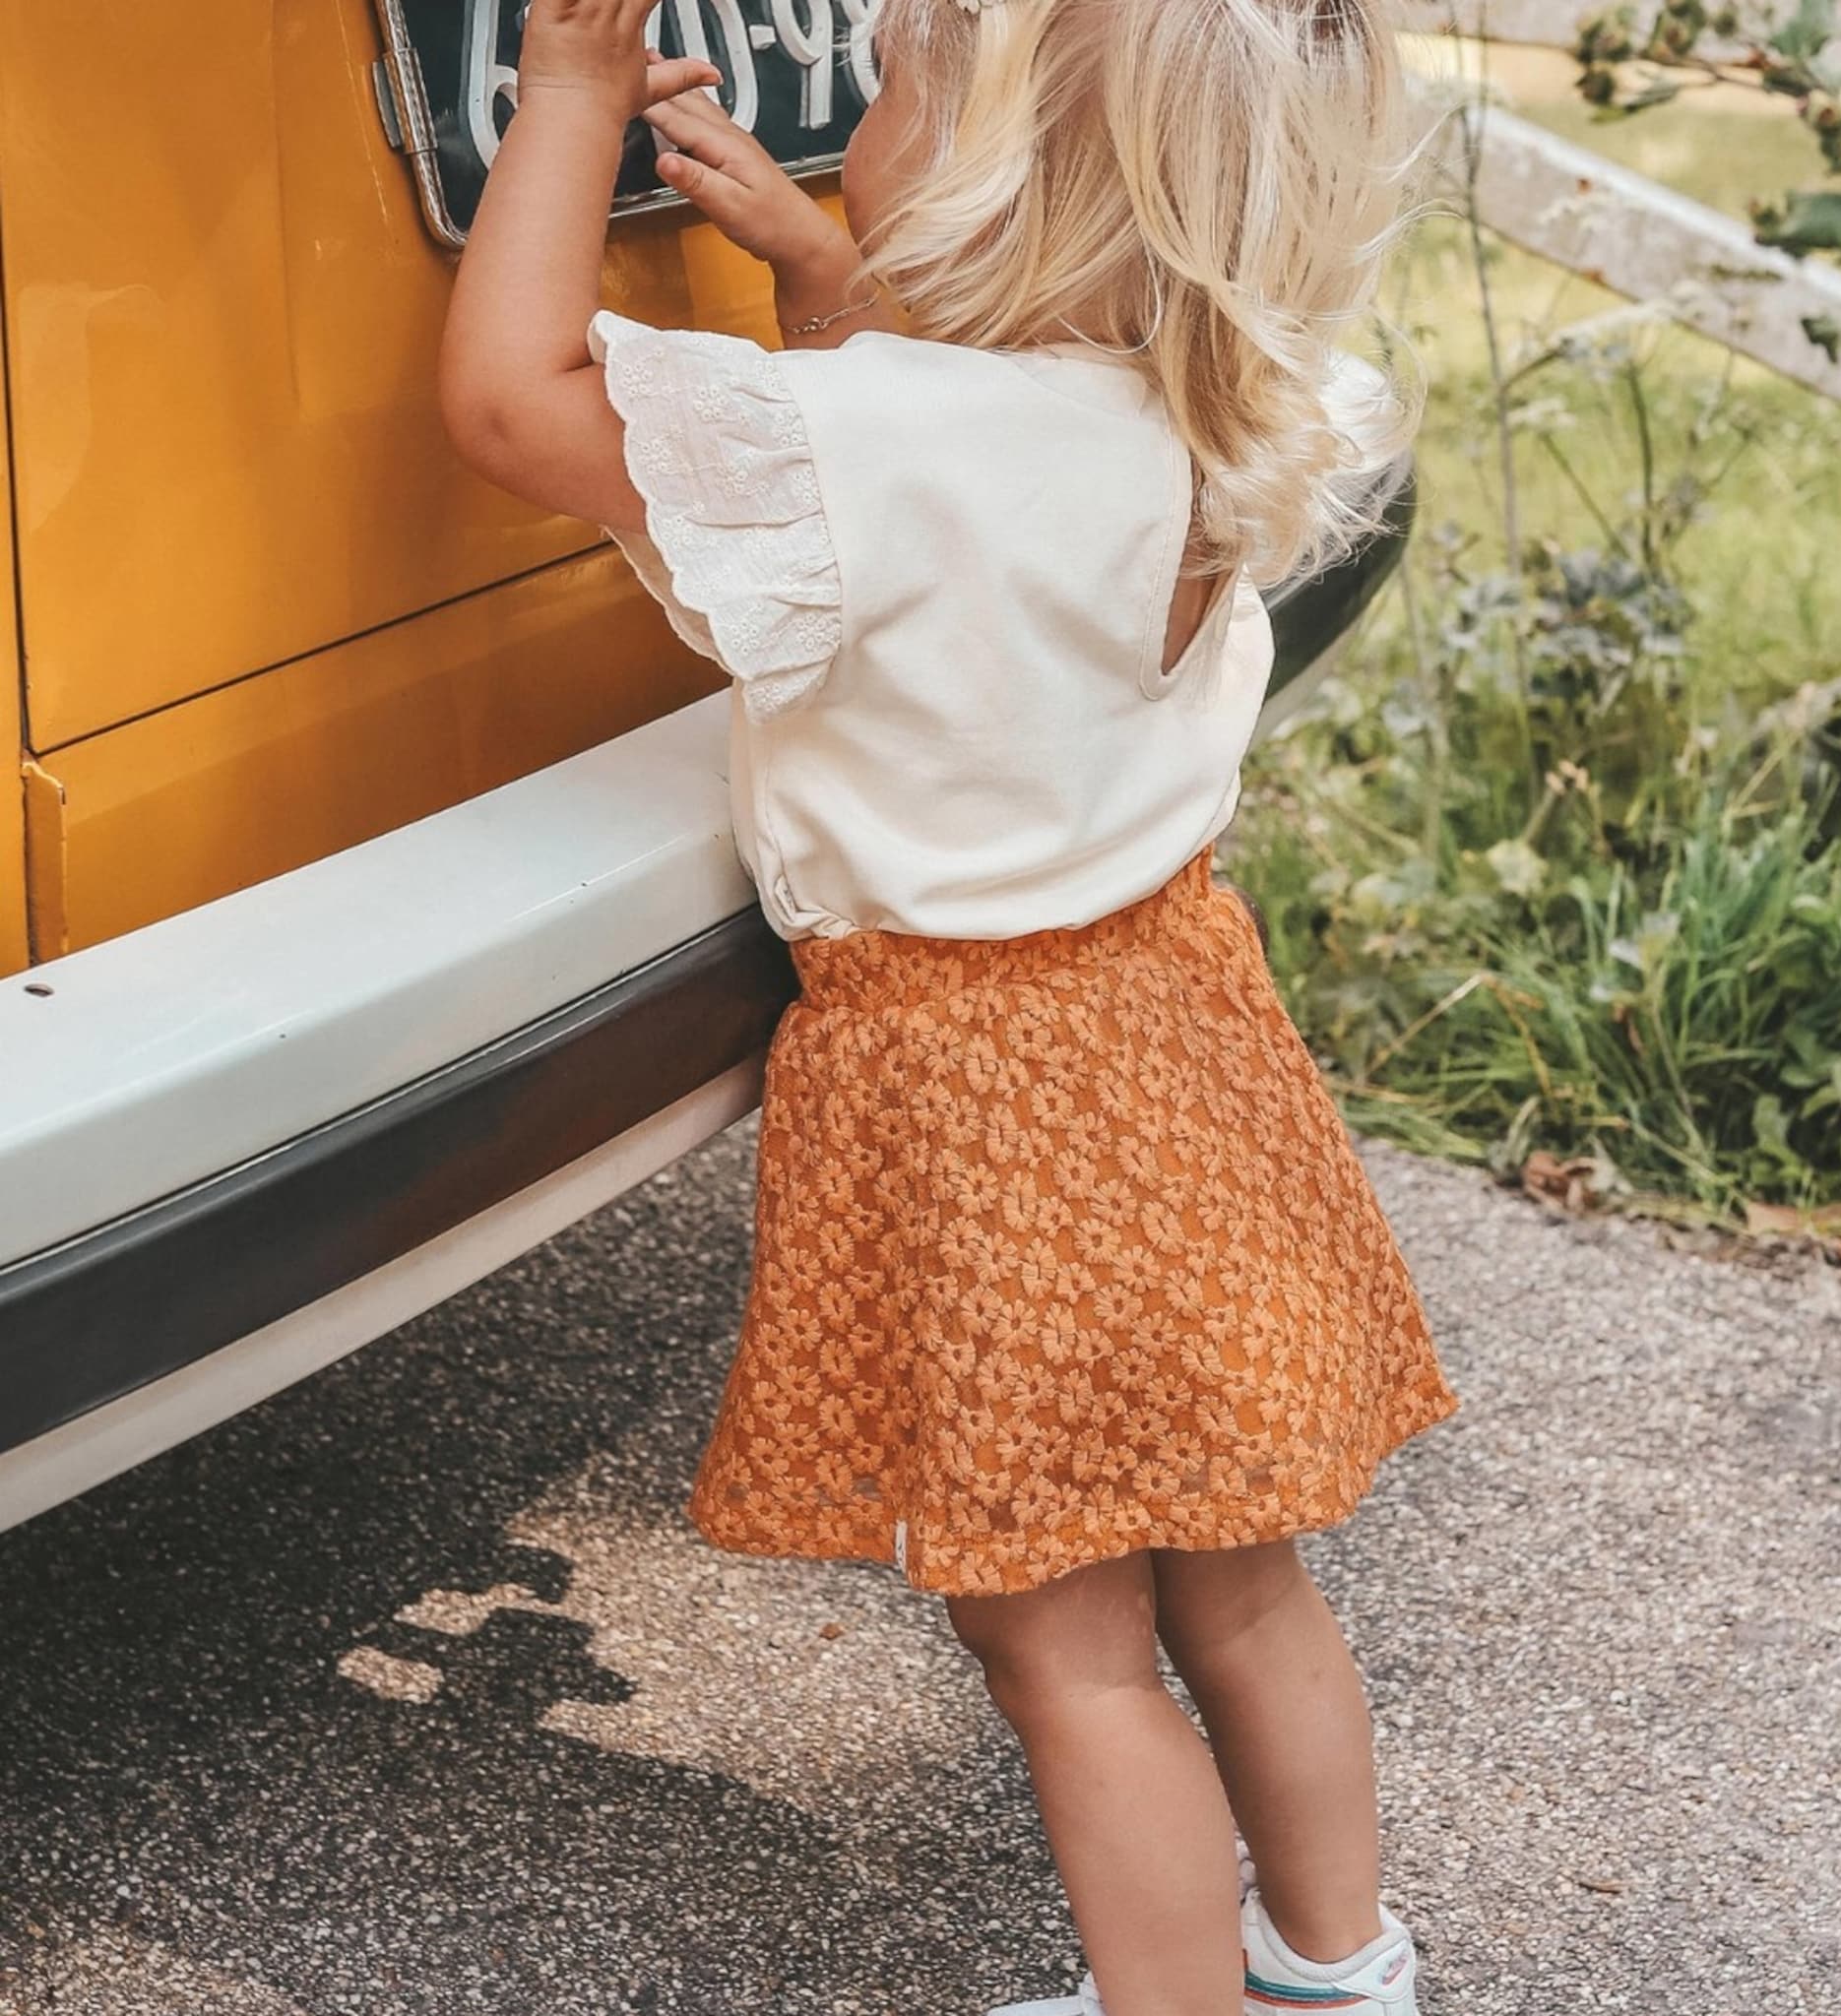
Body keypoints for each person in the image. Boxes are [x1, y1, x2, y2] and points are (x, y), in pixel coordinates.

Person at [439, 1, 1457, 2009]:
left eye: (899, 84)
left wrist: (563, 92)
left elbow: (507, 407)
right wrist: (823, 278)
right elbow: (957, 508)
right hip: (1176, 1045)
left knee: (1065, 1648)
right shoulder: (1209, 397)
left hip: (986, 1106)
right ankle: (1346, 1968)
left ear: (1002, 176)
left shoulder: (877, 443)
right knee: (1242, 1584)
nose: (862, 110)